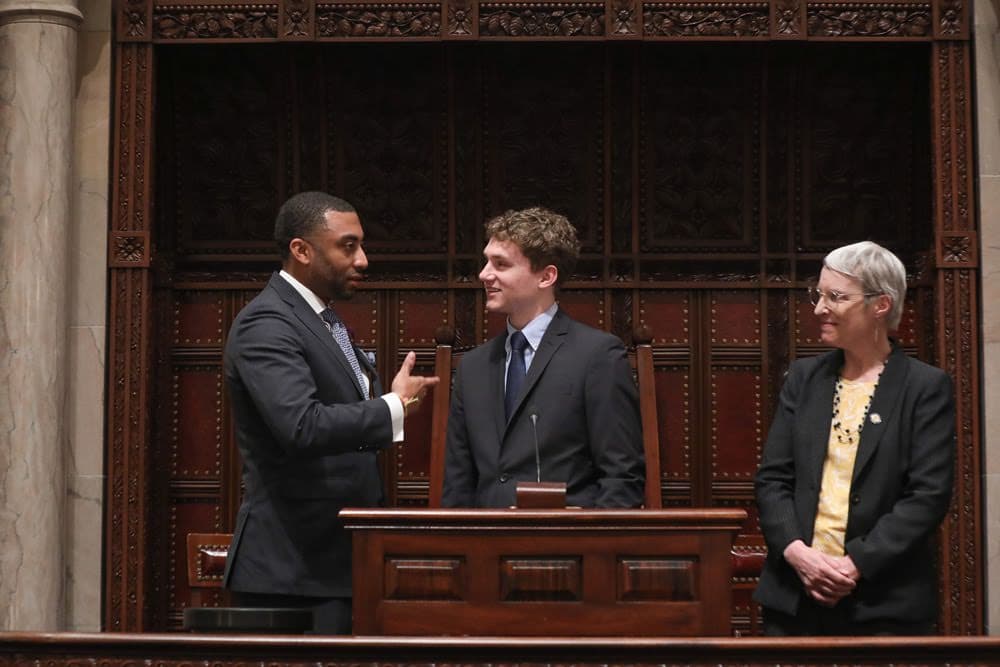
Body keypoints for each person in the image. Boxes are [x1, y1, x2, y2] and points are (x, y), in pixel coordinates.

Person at [222, 191, 439, 633]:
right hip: (291, 572)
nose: (363, 260)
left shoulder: (322, 319)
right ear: (301, 250)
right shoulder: (267, 322)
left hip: (333, 564)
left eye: (361, 245)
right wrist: (392, 407)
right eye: (347, 245)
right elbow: (300, 426)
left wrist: (385, 402)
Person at [754, 241, 955, 635]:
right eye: (819, 294)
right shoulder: (803, 378)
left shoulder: (924, 387)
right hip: (793, 599)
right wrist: (799, 555)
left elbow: (927, 497)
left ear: (880, 305)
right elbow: (773, 480)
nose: (819, 308)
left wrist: (852, 565)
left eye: (836, 296)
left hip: (883, 605)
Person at [441, 206, 645, 508]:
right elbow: (458, 487)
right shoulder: (473, 367)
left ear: (546, 276)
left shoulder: (598, 356)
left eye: (501, 264)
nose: (484, 274)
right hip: (485, 544)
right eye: (486, 262)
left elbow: (621, 478)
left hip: (568, 545)